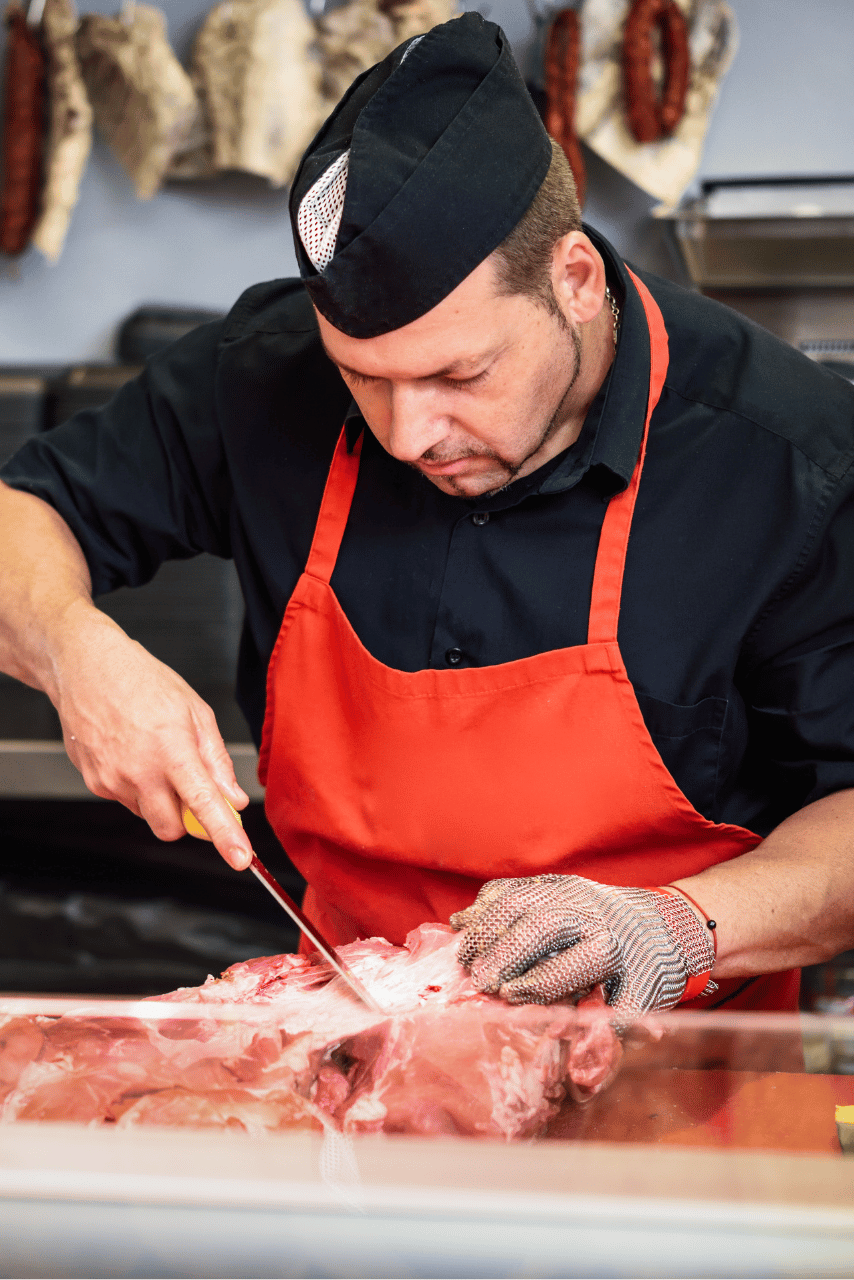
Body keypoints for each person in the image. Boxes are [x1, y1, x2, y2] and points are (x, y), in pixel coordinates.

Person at [2, 14, 854, 1016]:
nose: (409, 432)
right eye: (362, 376)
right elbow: (25, 511)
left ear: (572, 280)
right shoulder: (264, 374)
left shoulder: (784, 459)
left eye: (460, 373)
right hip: (359, 1064)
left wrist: (672, 924)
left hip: (682, 1080)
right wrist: (72, 651)